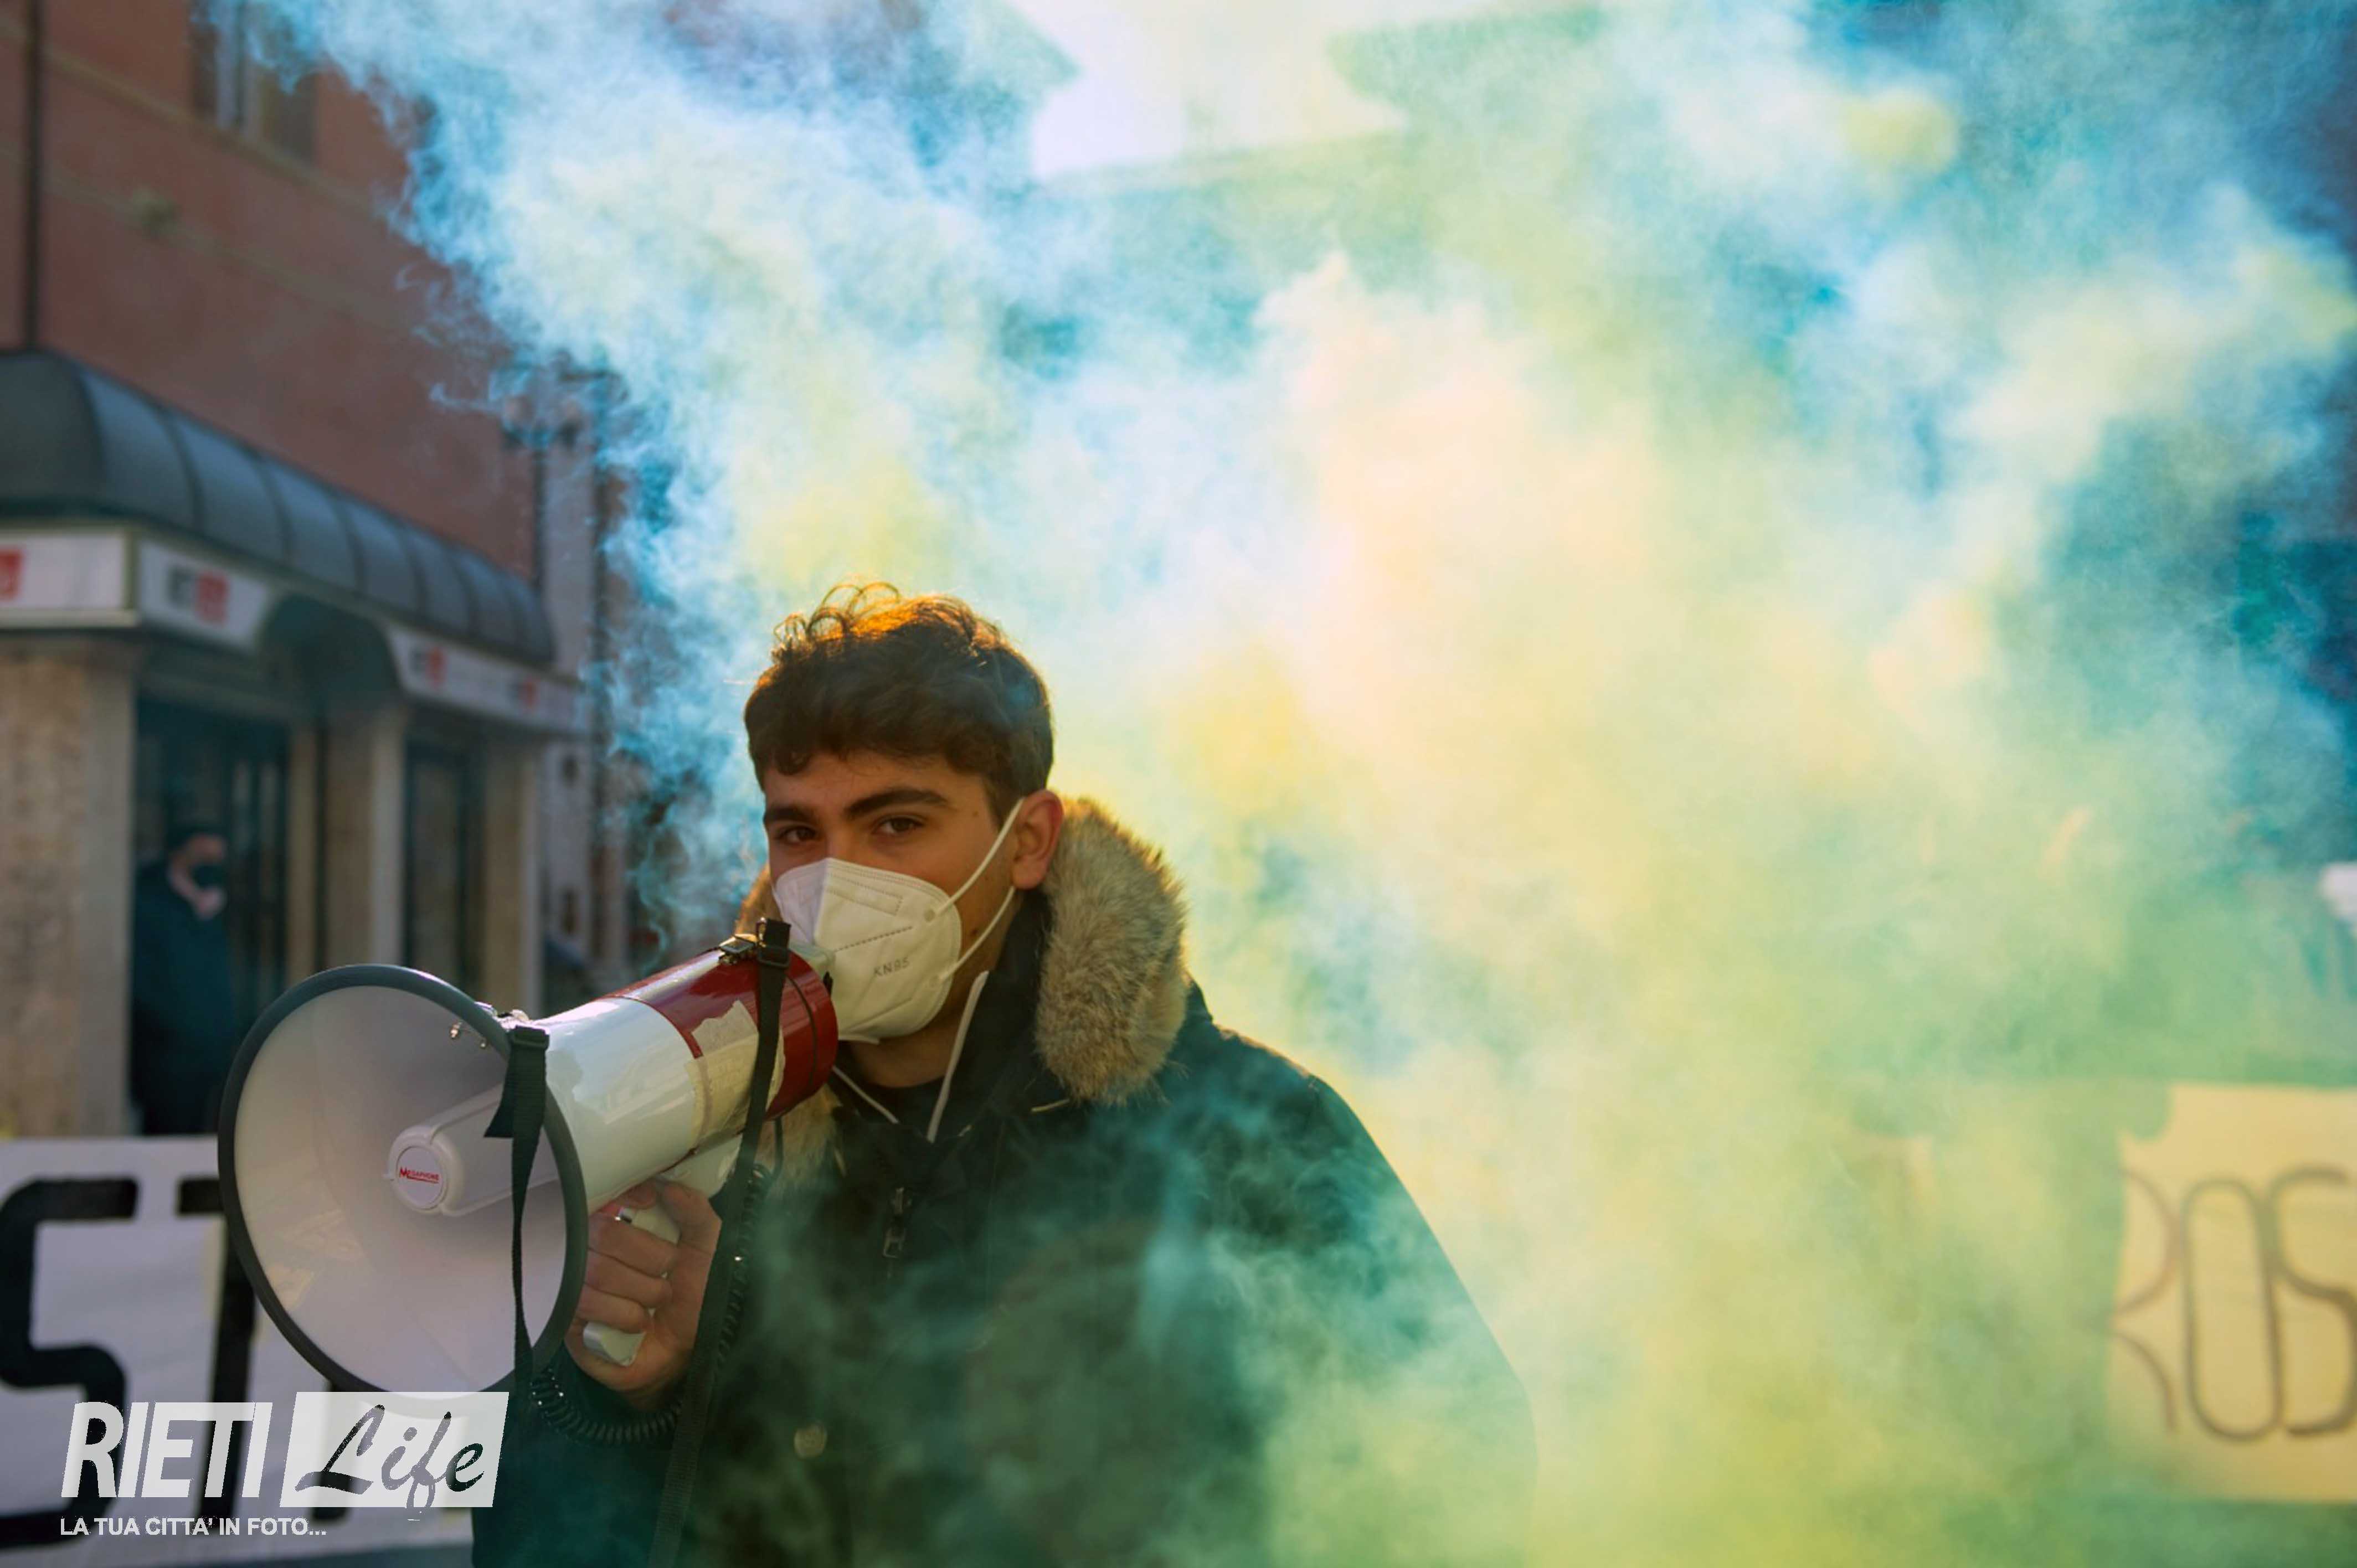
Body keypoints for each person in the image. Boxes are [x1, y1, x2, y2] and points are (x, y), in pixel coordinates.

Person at [477, 585, 1532, 1566]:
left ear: (1027, 841)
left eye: (897, 824)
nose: (836, 882)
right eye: (800, 829)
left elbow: (1468, 1468)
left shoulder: (1240, 1128)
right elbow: (542, 1529)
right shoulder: (703, 1133)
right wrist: (630, 1395)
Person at [129, 821, 240, 1136]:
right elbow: (144, 984)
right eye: (204, 857)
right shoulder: (151, 904)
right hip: (166, 1056)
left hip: (210, 1056)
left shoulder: (213, 907)